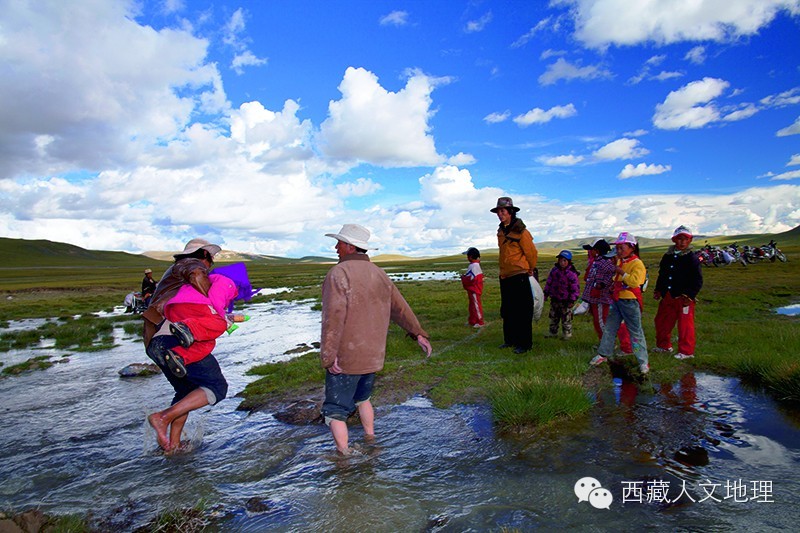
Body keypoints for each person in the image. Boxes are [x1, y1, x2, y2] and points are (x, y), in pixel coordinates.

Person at [320, 224, 432, 455]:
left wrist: (329, 357)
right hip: (373, 355)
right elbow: (400, 308)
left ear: (350, 246)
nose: (336, 247)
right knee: (363, 399)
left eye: (339, 243)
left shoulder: (338, 273)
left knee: (335, 410)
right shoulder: (379, 273)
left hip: (346, 357)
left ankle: (343, 457)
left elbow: (333, 318)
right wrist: (418, 333)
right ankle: (371, 440)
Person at [141, 238, 229, 453]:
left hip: (155, 343)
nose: (211, 264)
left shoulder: (173, 272)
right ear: (204, 254)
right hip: (174, 339)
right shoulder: (191, 264)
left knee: (186, 391)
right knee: (217, 387)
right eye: (211, 258)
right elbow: (197, 275)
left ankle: (173, 445)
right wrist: (214, 303)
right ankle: (162, 418)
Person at [589, 232, 650, 375]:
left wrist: (621, 272)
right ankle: (603, 354)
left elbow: (635, 282)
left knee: (635, 332)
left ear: (632, 248)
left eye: (622, 248)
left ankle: (643, 361)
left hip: (630, 302)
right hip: (617, 300)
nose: (619, 251)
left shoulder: (637, 263)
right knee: (610, 328)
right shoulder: (621, 261)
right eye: (618, 248)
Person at [492, 197, 538, 354]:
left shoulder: (522, 232)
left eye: (502, 211)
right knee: (508, 310)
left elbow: (531, 253)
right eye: (498, 212)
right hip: (505, 276)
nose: (500, 214)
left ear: (510, 211)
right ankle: (510, 340)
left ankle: (525, 344)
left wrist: (530, 268)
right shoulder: (500, 231)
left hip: (519, 275)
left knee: (522, 311)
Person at [653, 225, 703, 360]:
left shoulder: (692, 258)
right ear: (674, 240)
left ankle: (686, 352)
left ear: (690, 241)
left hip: (683, 297)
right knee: (662, 321)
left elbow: (697, 279)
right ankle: (664, 346)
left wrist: (690, 295)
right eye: (679, 239)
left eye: (685, 239)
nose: (682, 242)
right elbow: (662, 274)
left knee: (685, 325)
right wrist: (658, 289)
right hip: (668, 295)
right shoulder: (667, 256)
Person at [580, 239, 633, 354]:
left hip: (601, 298)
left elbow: (613, 275)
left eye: (591, 250)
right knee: (598, 321)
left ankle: (609, 344)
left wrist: (602, 284)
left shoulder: (604, 262)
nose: (589, 252)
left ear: (597, 251)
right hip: (595, 298)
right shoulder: (598, 261)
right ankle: (605, 342)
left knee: (601, 322)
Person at [543, 250, 580, 339]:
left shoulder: (571, 273)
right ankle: (552, 333)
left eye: (564, 261)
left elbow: (575, 288)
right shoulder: (554, 271)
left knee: (566, 318)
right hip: (555, 298)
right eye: (560, 260)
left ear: (568, 262)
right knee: (553, 317)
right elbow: (549, 282)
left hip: (566, 300)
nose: (562, 263)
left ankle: (567, 334)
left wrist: (572, 300)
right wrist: (546, 293)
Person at [460, 247, 485, 328]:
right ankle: (473, 321)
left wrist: (464, 278)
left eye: (468, 256)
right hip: (472, 289)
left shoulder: (474, 266)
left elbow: (472, 279)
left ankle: (479, 322)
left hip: (474, 289)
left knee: (476, 305)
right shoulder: (473, 265)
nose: (467, 258)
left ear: (470, 256)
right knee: (472, 306)